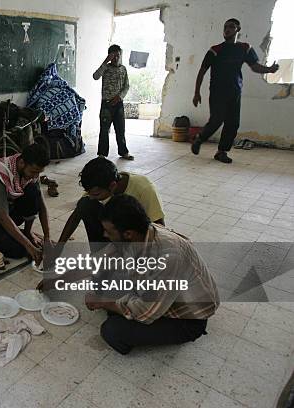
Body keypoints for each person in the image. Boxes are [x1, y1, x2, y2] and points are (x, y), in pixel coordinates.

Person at [87, 195, 220, 355]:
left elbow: (145, 312)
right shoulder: (143, 231)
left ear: (128, 233)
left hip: (186, 319)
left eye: (108, 231)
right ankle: (121, 309)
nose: (104, 235)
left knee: (112, 330)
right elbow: (105, 257)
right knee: (101, 280)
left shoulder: (168, 256)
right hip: (161, 295)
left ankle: (127, 327)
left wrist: (104, 302)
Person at [192, 18, 279, 163]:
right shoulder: (215, 50)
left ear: (238, 29)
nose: (227, 29)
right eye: (225, 27)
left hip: (235, 92)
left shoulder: (245, 48)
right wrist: (196, 92)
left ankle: (221, 152)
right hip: (217, 92)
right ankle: (199, 139)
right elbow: (202, 71)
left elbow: (255, 66)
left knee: (233, 123)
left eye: (231, 27)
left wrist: (269, 69)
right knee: (217, 120)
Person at [58, 157, 164, 252]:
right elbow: (76, 216)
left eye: (96, 194)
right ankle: (99, 254)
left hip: (134, 239)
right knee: (86, 204)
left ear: (113, 185)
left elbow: (159, 227)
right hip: (114, 236)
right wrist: (58, 248)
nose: (91, 196)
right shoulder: (97, 187)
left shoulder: (144, 188)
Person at [0, 144, 51, 264]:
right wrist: (29, 246)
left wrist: (47, 237)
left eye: (38, 173)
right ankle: (21, 239)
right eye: (33, 172)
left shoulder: (31, 171)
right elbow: (2, 216)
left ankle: (27, 232)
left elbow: (41, 205)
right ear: (22, 163)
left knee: (33, 191)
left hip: (12, 214)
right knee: (17, 250)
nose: (35, 176)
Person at [93, 44, 134, 160]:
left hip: (118, 104)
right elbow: (95, 76)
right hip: (106, 104)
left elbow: (126, 86)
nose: (116, 58)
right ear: (110, 56)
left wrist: (120, 97)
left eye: (118, 55)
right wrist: (106, 61)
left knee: (120, 129)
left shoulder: (123, 69)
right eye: (113, 56)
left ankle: (123, 152)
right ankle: (102, 154)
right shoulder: (105, 67)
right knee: (104, 130)